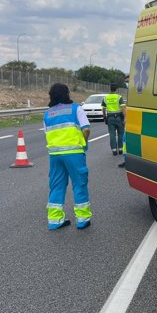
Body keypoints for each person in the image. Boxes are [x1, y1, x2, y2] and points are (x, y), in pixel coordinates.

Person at [44, 83, 92, 230]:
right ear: (67, 94)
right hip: (74, 153)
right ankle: (82, 219)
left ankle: (54, 220)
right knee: (79, 184)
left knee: (56, 186)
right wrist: (83, 142)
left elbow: (47, 133)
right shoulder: (76, 108)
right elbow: (86, 129)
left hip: (55, 155)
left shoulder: (48, 113)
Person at [102, 83, 126, 156]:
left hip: (110, 118)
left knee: (112, 134)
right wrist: (125, 118)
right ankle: (121, 149)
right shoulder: (119, 97)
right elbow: (123, 108)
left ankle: (114, 150)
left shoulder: (106, 98)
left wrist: (104, 117)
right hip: (119, 117)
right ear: (117, 89)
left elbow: (103, 108)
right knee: (120, 134)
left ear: (110, 89)